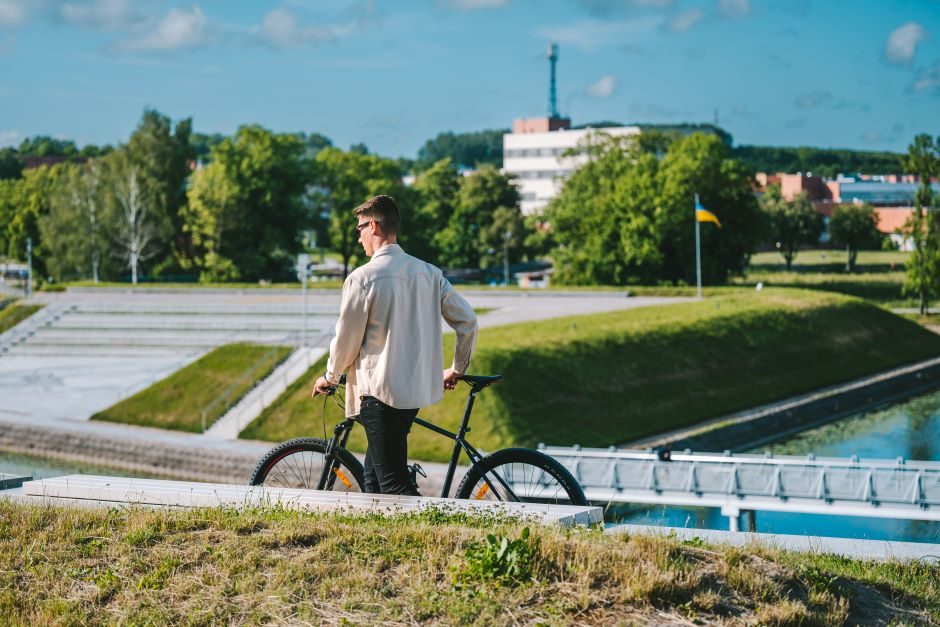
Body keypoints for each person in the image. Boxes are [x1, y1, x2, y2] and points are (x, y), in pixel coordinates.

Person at [311, 195, 478, 495]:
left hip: (379, 393)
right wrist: (457, 368)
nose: (358, 236)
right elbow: (468, 322)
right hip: (412, 393)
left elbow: (346, 340)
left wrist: (330, 376)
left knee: (393, 487)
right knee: (373, 480)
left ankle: (435, 538)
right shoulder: (430, 273)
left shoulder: (362, 279)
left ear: (373, 226)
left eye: (360, 228)